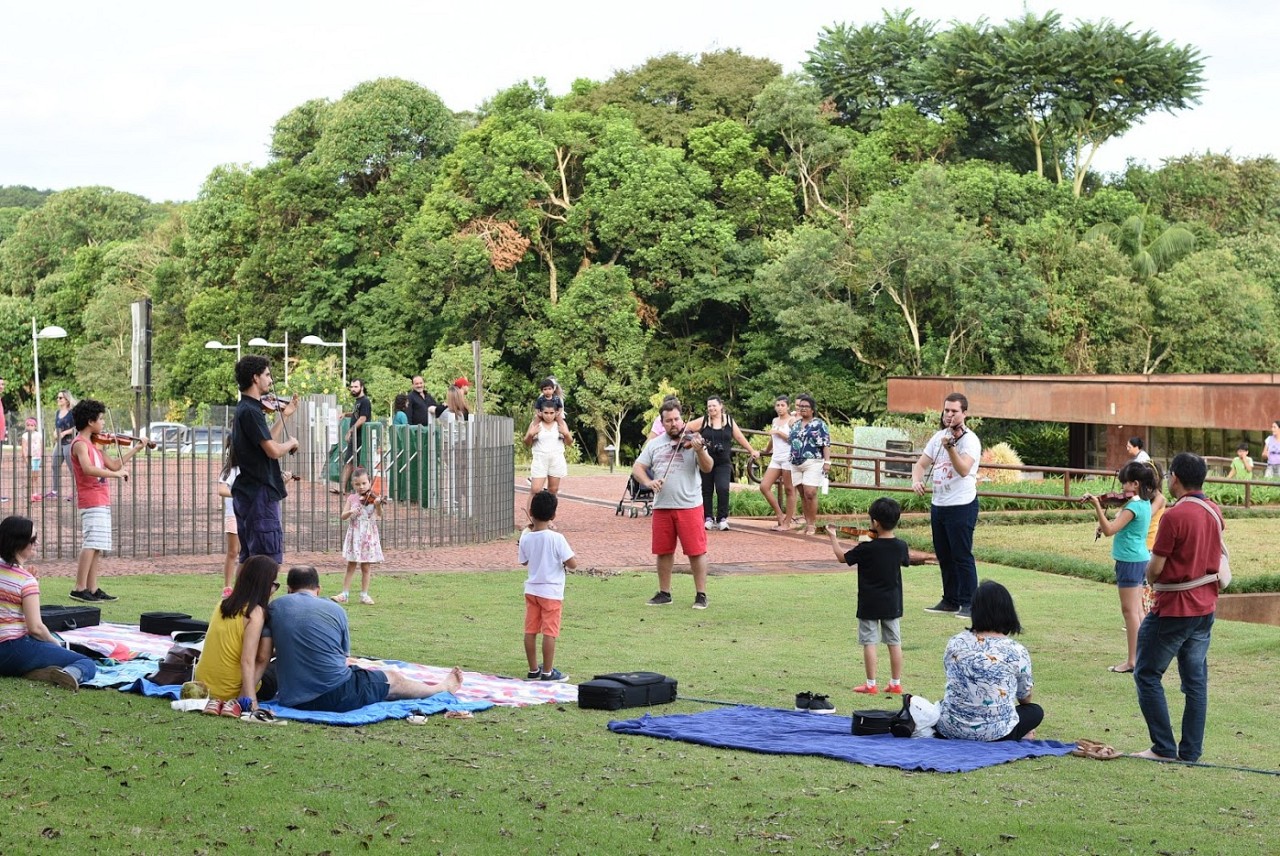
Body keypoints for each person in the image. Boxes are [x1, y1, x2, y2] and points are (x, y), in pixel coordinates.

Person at [267, 565, 463, 712]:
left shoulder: (275, 608)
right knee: (392, 679)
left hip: (291, 697)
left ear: (289, 589)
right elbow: (343, 657)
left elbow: (265, 653)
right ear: (318, 589)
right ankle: (440, 688)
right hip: (334, 695)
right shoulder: (336, 610)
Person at [1133, 452, 1222, 762]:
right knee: (1195, 683)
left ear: (1175, 478)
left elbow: (1154, 569)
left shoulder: (1174, 516)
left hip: (1174, 609)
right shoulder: (1213, 510)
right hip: (1205, 608)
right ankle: (1191, 752)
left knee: (1146, 673)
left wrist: (1149, 577)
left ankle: (1163, 747)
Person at [936, 580, 1043, 741]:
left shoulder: (955, 642)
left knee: (945, 703)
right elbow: (1025, 697)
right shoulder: (1016, 650)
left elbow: (953, 678)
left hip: (950, 728)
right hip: (994, 732)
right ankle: (1018, 735)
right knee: (1035, 711)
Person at [633, 399, 714, 609]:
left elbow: (708, 467)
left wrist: (699, 450)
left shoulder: (692, 441)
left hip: (689, 505)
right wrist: (649, 482)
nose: (674, 424)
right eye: (669, 421)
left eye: (677, 419)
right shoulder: (654, 444)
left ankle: (701, 594)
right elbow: (637, 468)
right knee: (663, 551)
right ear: (662, 422)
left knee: (696, 551)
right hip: (662, 506)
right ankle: (664, 592)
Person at [0, 515, 98, 690]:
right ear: (21, 543)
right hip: (10, 649)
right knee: (84, 661)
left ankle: (36, 671)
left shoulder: (21, 577)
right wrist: (56, 644)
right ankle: (70, 673)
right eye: (34, 539)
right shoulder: (25, 580)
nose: (36, 543)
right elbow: (35, 628)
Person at [829, 497, 910, 695]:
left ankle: (871, 684)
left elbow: (842, 558)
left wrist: (832, 536)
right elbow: (904, 561)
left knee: (870, 642)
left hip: (869, 602)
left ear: (875, 523)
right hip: (892, 602)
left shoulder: (866, 547)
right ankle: (895, 683)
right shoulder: (900, 546)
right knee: (894, 642)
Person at [912, 392, 981, 619]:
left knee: (962, 555)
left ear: (964, 414)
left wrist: (951, 447)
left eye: (954, 411)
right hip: (939, 503)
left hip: (962, 504)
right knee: (944, 554)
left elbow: (963, 470)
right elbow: (920, 464)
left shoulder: (970, 440)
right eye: (946, 410)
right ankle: (950, 600)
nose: (949, 415)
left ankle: (970, 603)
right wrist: (916, 480)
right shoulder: (938, 436)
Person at [1084, 461, 1157, 674]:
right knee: (1138, 612)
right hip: (1139, 559)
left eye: (1125, 483)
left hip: (1129, 561)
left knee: (1130, 612)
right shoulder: (1143, 503)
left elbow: (1109, 531)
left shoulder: (1132, 506)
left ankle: (1132, 661)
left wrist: (1097, 505)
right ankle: (1144, 657)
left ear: (1135, 483)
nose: (1122, 488)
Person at [69, 399, 144, 602]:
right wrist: (117, 475)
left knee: (98, 544)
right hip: (90, 498)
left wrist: (136, 448)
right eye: (101, 419)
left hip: (101, 498)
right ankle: (79, 587)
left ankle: (92, 588)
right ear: (90, 421)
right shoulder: (80, 444)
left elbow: (114, 464)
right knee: (91, 542)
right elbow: (88, 469)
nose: (103, 423)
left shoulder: (95, 445)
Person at [230, 356, 300, 566]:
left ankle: (241, 599)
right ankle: (257, 600)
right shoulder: (251, 411)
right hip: (260, 494)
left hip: (249, 493)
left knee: (249, 559)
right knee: (266, 562)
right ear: (255, 378)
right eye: (267, 375)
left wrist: (285, 416)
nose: (271, 380)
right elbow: (272, 450)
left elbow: (266, 439)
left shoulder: (246, 408)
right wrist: (291, 443)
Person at [194, 555, 279, 717]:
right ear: (264, 584)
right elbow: (250, 660)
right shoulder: (255, 612)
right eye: (274, 585)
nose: (274, 590)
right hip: (231, 689)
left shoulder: (223, 604)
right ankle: (242, 697)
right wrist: (251, 702)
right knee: (275, 664)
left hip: (204, 685)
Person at [519, 491, 576, 682]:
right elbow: (572, 563)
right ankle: (548, 671)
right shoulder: (557, 538)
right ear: (553, 515)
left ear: (531, 513)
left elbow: (524, 562)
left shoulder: (526, 537)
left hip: (532, 590)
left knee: (530, 630)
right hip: (551, 592)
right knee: (549, 632)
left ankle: (533, 669)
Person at [685, 396, 760, 531]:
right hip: (706, 459)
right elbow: (686, 428)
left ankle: (722, 518)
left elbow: (738, 436)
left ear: (720, 406)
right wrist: (695, 438)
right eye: (709, 406)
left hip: (723, 461)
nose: (711, 408)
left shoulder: (729, 421)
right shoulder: (704, 421)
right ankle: (707, 517)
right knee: (706, 489)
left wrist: (751, 450)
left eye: (714, 405)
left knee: (722, 488)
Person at [332, 467, 384, 605]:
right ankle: (344, 594)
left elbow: (380, 515)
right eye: (357, 484)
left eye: (364, 483)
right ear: (353, 484)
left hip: (367, 535)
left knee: (366, 566)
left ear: (369, 482)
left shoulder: (374, 498)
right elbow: (343, 516)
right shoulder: (352, 498)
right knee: (351, 564)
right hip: (355, 534)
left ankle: (364, 595)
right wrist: (351, 511)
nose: (361, 487)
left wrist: (378, 505)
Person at [788, 394, 831, 536]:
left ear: (812, 409)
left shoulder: (819, 424)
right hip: (796, 462)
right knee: (802, 494)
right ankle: (807, 523)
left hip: (813, 461)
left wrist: (827, 461)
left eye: (806, 406)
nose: (803, 409)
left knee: (810, 492)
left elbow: (825, 443)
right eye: (801, 406)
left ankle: (812, 525)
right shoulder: (795, 424)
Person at [523, 398, 572, 521]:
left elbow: (569, 442)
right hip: (540, 458)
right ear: (540, 412)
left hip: (556, 458)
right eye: (546, 413)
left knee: (553, 490)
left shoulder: (560, 425)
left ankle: (548, 519)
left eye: (551, 413)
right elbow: (527, 443)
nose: (549, 416)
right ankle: (530, 518)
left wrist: (566, 433)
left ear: (556, 413)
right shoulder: (536, 425)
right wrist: (530, 434)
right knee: (535, 489)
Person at [760, 395, 798, 531]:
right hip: (776, 458)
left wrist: (778, 432)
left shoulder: (792, 420)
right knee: (764, 486)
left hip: (788, 457)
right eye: (778, 405)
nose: (780, 408)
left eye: (782, 405)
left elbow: (794, 440)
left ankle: (787, 522)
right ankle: (779, 514)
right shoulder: (775, 420)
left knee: (789, 489)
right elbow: (772, 438)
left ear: (788, 406)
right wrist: (766, 450)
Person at [336, 378, 371, 495]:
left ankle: (345, 488)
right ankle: (345, 488)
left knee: (350, 462)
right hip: (356, 436)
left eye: (356, 387)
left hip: (360, 437)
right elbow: (357, 414)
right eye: (351, 387)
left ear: (362, 387)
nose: (353, 389)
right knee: (350, 462)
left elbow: (363, 418)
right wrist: (346, 414)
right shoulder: (358, 401)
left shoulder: (365, 401)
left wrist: (351, 431)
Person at [216, 447, 241, 597]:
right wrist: (241, 493)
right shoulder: (230, 470)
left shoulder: (251, 468)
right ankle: (227, 586)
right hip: (233, 514)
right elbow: (222, 490)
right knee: (233, 551)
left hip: (248, 514)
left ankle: (242, 585)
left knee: (247, 553)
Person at [48, 390, 76, 500]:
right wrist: (55, 433)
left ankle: (76, 492)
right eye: (58, 397)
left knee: (72, 468)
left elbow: (77, 427)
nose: (58, 399)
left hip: (70, 443)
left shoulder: (72, 413)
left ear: (67, 400)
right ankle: (55, 491)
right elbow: (57, 427)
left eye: (60, 398)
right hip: (59, 443)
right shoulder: (57, 413)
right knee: (54, 465)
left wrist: (65, 432)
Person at [21, 418, 43, 503]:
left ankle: (35, 493)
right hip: (30, 459)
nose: (30, 427)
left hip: (37, 458)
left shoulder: (39, 435)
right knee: (31, 477)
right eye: (28, 425)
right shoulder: (25, 436)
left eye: (32, 425)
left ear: (35, 426)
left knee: (36, 477)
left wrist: (41, 456)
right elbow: (24, 448)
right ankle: (31, 494)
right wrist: (25, 459)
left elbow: (41, 446)